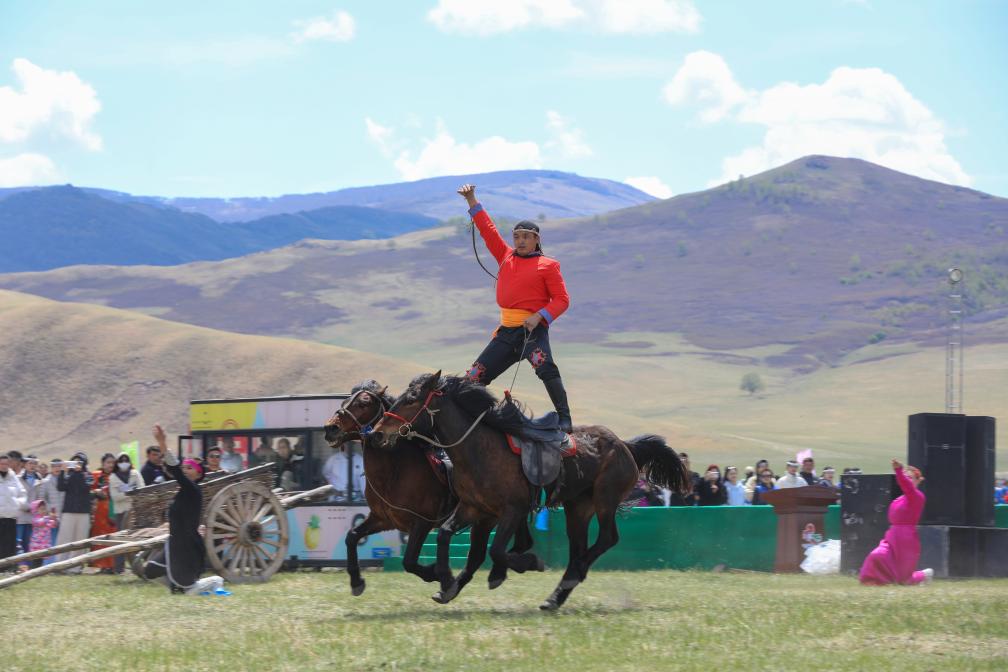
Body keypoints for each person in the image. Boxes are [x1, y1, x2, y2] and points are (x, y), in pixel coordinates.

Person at [457, 183, 574, 432]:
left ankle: (565, 418)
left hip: (532, 331)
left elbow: (562, 299)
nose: (520, 241)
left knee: (545, 367)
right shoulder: (505, 256)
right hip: (506, 332)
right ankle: (476, 424)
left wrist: (539, 316)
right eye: (517, 236)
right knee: (472, 379)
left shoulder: (548, 265)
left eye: (526, 237)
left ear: (536, 240)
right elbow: (488, 230)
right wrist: (471, 199)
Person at [143, 424, 225, 595]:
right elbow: (173, 470)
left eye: (190, 468)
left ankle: (215, 581)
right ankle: (176, 587)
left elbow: (175, 470)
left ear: (198, 474)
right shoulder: (183, 491)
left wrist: (162, 443)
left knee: (189, 591)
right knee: (150, 571)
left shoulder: (193, 489)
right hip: (174, 542)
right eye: (184, 468)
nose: (185, 471)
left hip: (186, 546)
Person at [859, 459, 933, 586]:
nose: (908, 480)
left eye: (911, 478)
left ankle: (923, 575)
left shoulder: (918, 496)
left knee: (903, 579)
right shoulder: (900, 499)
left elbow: (907, 486)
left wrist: (898, 471)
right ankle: (872, 581)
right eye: (906, 477)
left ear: (918, 480)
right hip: (892, 536)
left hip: (906, 538)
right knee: (877, 555)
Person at [55, 452, 93, 570]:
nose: (77, 464)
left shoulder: (88, 475)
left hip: (83, 513)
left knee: (80, 540)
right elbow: (60, 487)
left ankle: (75, 567)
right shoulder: (68, 475)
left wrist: (80, 473)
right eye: (75, 461)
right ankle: (60, 565)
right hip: (69, 512)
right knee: (64, 539)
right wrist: (62, 471)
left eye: (80, 462)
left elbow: (87, 486)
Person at [108, 452, 144, 573]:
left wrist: (126, 493)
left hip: (135, 512)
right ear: (117, 463)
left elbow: (142, 489)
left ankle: (138, 568)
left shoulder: (135, 473)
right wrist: (130, 492)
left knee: (137, 540)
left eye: (126, 460)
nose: (124, 463)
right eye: (121, 461)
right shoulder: (113, 477)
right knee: (120, 540)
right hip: (121, 513)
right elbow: (115, 497)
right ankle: (119, 568)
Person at [90, 453, 119, 573]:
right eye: (108, 462)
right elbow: (89, 489)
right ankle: (100, 564)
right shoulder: (96, 475)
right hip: (100, 511)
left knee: (113, 536)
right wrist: (96, 492)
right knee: (100, 536)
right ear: (103, 464)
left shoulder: (118, 476)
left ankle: (112, 565)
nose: (110, 465)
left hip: (114, 510)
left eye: (113, 462)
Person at [0, 453, 28, 562]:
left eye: (6, 464)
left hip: (11, 518)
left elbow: (22, 493)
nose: (4, 466)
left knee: (10, 545)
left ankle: (8, 568)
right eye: (1, 463)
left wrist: (18, 504)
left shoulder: (13, 477)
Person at [40, 459, 66, 549]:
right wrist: (50, 510)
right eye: (54, 466)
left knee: (64, 541)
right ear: (51, 468)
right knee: (52, 541)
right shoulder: (45, 481)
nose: (57, 468)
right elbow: (42, 499)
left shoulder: (66, 480)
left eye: (59, 466)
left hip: (65, 515)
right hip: (51, 516)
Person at [27, 500, 58, 568]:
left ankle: (38, 571)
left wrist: (54, 519)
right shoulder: (35, 519)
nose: (44, 511)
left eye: (44, 509)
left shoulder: (46, 519)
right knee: (36, 560)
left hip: (44, 544)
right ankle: (34, 571)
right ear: (36, 510)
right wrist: (49, 517)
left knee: (40, 561)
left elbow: (53, 525)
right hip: (36, 545)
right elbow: (40, 522)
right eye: (41, 509)